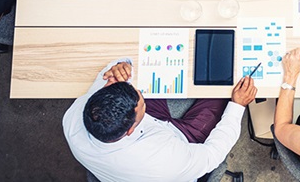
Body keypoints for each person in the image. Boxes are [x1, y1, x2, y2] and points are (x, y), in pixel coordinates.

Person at [63, 58, 257, 182]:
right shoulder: (164, 162)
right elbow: (212, 154)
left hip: (149, 129)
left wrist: (122, 65)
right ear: (130, 129)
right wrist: (238, 105)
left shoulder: (75, 116)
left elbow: (109, 74)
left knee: (153, 64)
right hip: (176, 144)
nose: (140, 92)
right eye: (141, 101)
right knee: (225, 88)